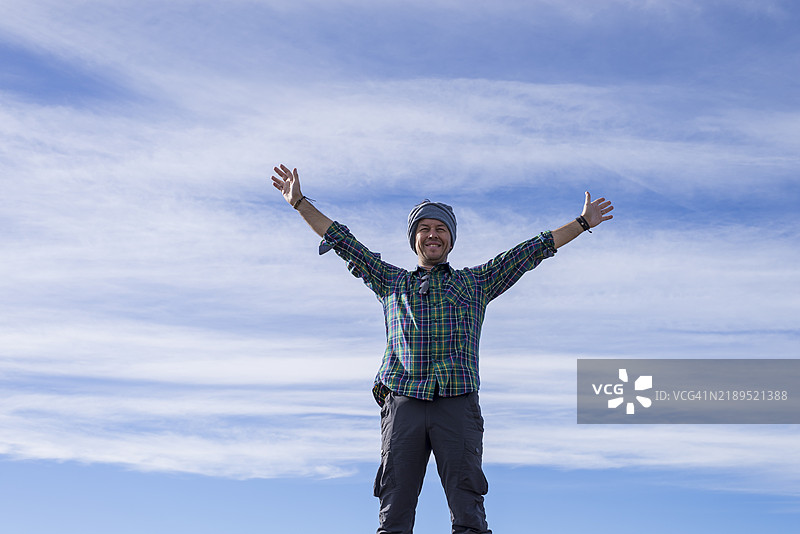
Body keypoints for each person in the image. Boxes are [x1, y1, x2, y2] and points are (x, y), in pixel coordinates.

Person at [271, 164, 614, 534]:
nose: (432, 235)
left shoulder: (475, 283)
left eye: (440, 229)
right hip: (403, 401)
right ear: (414, 239)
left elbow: (530, 251)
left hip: (457, 402)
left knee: (468, 509)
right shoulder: (391, 282)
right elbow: (343, 241)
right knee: (394, 508)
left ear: (450, 239)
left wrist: (582, 223)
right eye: (424, 229)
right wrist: (300, 203)